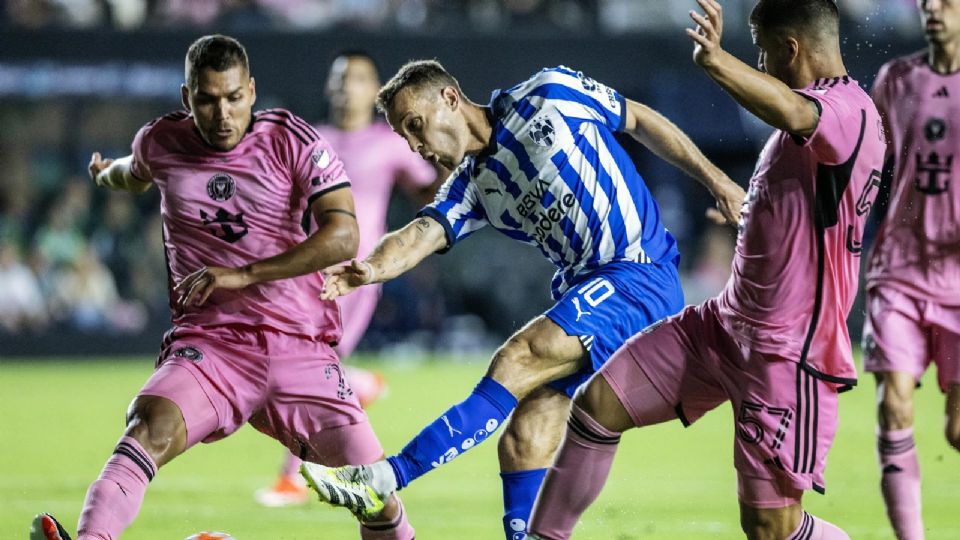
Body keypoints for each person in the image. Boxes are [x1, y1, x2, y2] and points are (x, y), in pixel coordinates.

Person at [300, 58, 745, 539]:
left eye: (416, 126)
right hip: (591, 291)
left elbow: (638, 118)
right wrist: (370, 268)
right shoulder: (472, 185)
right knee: (523, 438)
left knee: (518, 357)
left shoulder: (549, 94)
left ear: (449, 98)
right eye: (406, 137)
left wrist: (716, 180)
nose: (415, 145)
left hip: (639, 274)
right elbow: (420, 233)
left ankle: (382, 478)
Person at [30, 34, 414, 540]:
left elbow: (343, 235)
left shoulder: (292, 140)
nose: (223, 113)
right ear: (188, 98)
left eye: (233, 98)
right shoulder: (161, 141)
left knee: (376, 498)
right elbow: (135, 171)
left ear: (251, 91)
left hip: (297, 345)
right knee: (148, 428)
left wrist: (245, 274)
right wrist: (107, 174)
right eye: (208, 100)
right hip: (212, 346)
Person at [525, 0, 885, 538]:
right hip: (721, 327)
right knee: (597, 405)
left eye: (763, 53)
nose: (760, 66)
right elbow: (807, 216)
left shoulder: (847, 111)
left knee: (771, 528)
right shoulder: (815, 125)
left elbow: (792, 111)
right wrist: (754, 217)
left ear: (791, 49)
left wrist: (715, 61)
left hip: (785, 355)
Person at [254, 49, 440, 508]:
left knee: (306, 370)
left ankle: (292, 477)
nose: (344, 87)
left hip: (357, 274)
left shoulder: (389, 142)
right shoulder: (310, 138)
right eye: (338, 78)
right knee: (291, 368)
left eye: (355, 79)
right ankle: (358, 385)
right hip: (306, 272)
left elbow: (429, 188)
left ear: (375, 91)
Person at [863, 1, 960, 538]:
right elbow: (865, 163)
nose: (932, 8)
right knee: (893, 405)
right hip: (898, 271)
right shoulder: (896, 80)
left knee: (957, 431)